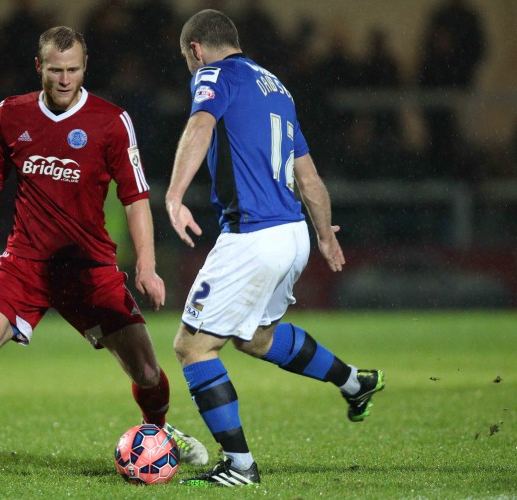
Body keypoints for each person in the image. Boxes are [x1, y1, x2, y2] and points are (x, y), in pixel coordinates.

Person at [0, 26, 208, 476]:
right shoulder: (10, 115)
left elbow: (135, 197)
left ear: (85, 68)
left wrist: (147, 265)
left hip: (90, 267)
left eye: (74, 70)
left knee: (146, 371)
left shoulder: (110, 121)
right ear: (39, 67)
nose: (65, 80)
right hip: (26, 263)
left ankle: (157, 432)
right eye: (57, 70)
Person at [165, 10, 385, 487]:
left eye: (188, 58)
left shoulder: (212, 74)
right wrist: (324, 234)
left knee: (193, 347)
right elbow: (307, 174)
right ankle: (354, 382)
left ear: (196, 49)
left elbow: (201, 124)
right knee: (256, 336)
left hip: (253, 235)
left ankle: (240, 467)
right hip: (293, 233)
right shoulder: (275, 87)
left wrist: (175, 194)